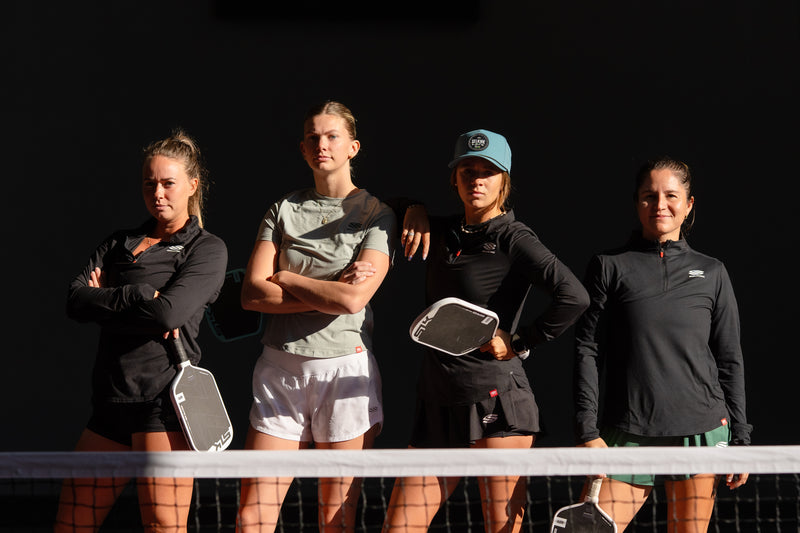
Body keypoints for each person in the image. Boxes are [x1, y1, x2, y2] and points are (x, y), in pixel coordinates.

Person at [382, 129, 590, 533]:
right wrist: (413, 207)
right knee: (398, 527)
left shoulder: (514, 237)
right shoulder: (440, 232)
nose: (476, 180)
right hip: (437, 402)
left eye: (488, 172)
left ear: (504, 180)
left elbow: (574, 297)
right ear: (454, 179)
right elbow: (375, 206)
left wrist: (520, 341)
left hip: (495, 402)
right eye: (467, 171)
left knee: (502, 529)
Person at [54, 130, 228, 532]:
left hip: (163, 405)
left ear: (192, 185)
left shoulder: (206, 248)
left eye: (168, 182)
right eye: (150, 183)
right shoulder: (119, 242)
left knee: (163, 527)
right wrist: (135, 293)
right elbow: (75, 301)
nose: (158, 192)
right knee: (70, 525)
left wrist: (107, 302)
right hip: (110, 403)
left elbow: (168, 314)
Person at [236, 101, 396, 533]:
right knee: (252, 517)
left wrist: (285, 276)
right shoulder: (281, 209)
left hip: (345, 374)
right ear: (303, 149)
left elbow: (352, 302)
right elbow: (252, 293)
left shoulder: (377, 215)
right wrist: (330, 288)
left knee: (335, 517)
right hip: (279, 370)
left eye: (331, 136)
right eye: (312, 137)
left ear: (353, 147)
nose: (321, 144)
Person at [573, 156, 752, 532]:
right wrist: (587, 431)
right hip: (627, 430)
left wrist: (741, 439)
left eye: (671, 196)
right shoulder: (609, 266)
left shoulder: (714, 272)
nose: (660, 205)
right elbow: (587, 349)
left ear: (688, 205)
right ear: (636, 202)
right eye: (648, 196)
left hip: (701, 431)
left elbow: (729, 360)